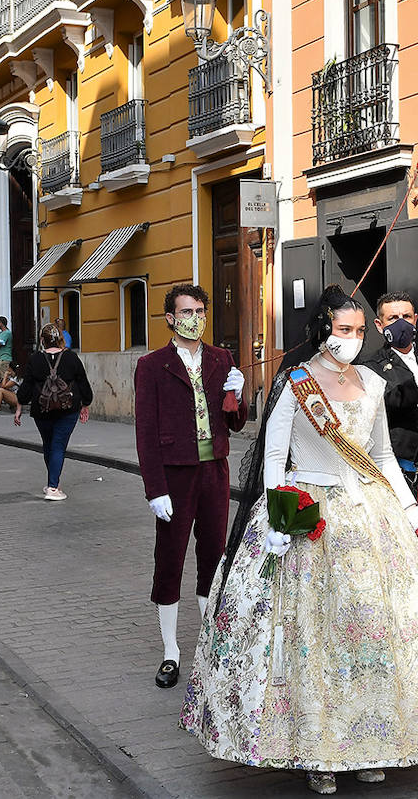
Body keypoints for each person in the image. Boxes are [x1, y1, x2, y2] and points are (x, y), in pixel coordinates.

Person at [181, 286, 418, 794]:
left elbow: (380, 458)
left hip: (368, 516)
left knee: (373, 637)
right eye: (343, 330)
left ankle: (371, 742)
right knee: (312, 638)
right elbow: (273, 458)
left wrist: (410, 511)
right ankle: (317, 750)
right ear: (322, 328)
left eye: (360, 331)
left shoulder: (373, 385)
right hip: (309, 514)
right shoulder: (296, 382)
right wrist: (274, 514)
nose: (352, 340)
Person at [134, 284, 248, 690]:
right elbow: (145, 433)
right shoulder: (152, 365)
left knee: (214, 555)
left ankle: (211, 642)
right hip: (175, 474)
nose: (194, 317)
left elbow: (235, 422)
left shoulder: (221, 358)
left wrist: (240, 392)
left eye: (200, 310)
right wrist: (155, 489)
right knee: (170, 559)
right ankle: (170, 651)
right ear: (170, 317)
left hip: (213, 471)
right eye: (186, 311)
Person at [16, 323, 93, 501]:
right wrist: (85, 403)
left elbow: (26, 386)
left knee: (48, 445)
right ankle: (52, 487)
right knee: (58, 446)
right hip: (68, 409)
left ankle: (53, 483)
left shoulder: (35, 359)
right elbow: (83, 383)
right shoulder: (71, 358)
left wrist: (19, 407)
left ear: (42, 340)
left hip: (41, 410)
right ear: (60, 339)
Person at [361, 290, 418, 491]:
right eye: (393, 318)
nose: (401, 323)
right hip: (401, 462)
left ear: (415, 320)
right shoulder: (371, 366)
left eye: (406, 317)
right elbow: (388, 399)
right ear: (379, 326)